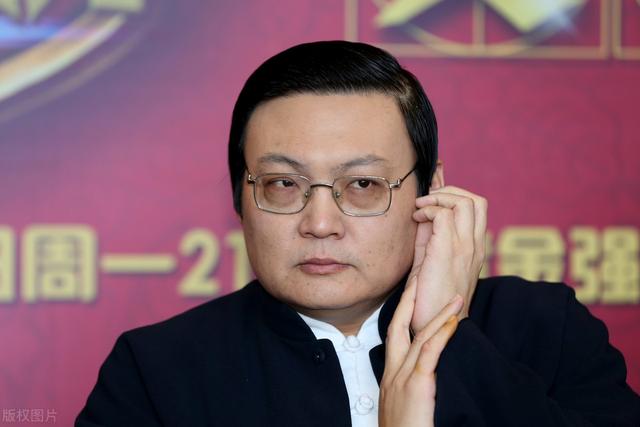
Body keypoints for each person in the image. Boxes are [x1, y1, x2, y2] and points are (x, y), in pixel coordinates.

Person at [76, 40, 640, 427]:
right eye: (282, 185)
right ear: (238, 198)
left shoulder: (544, 329)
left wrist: (448, 338)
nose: (320, 224)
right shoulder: (156, 371)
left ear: (431, 193)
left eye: (364, 184)